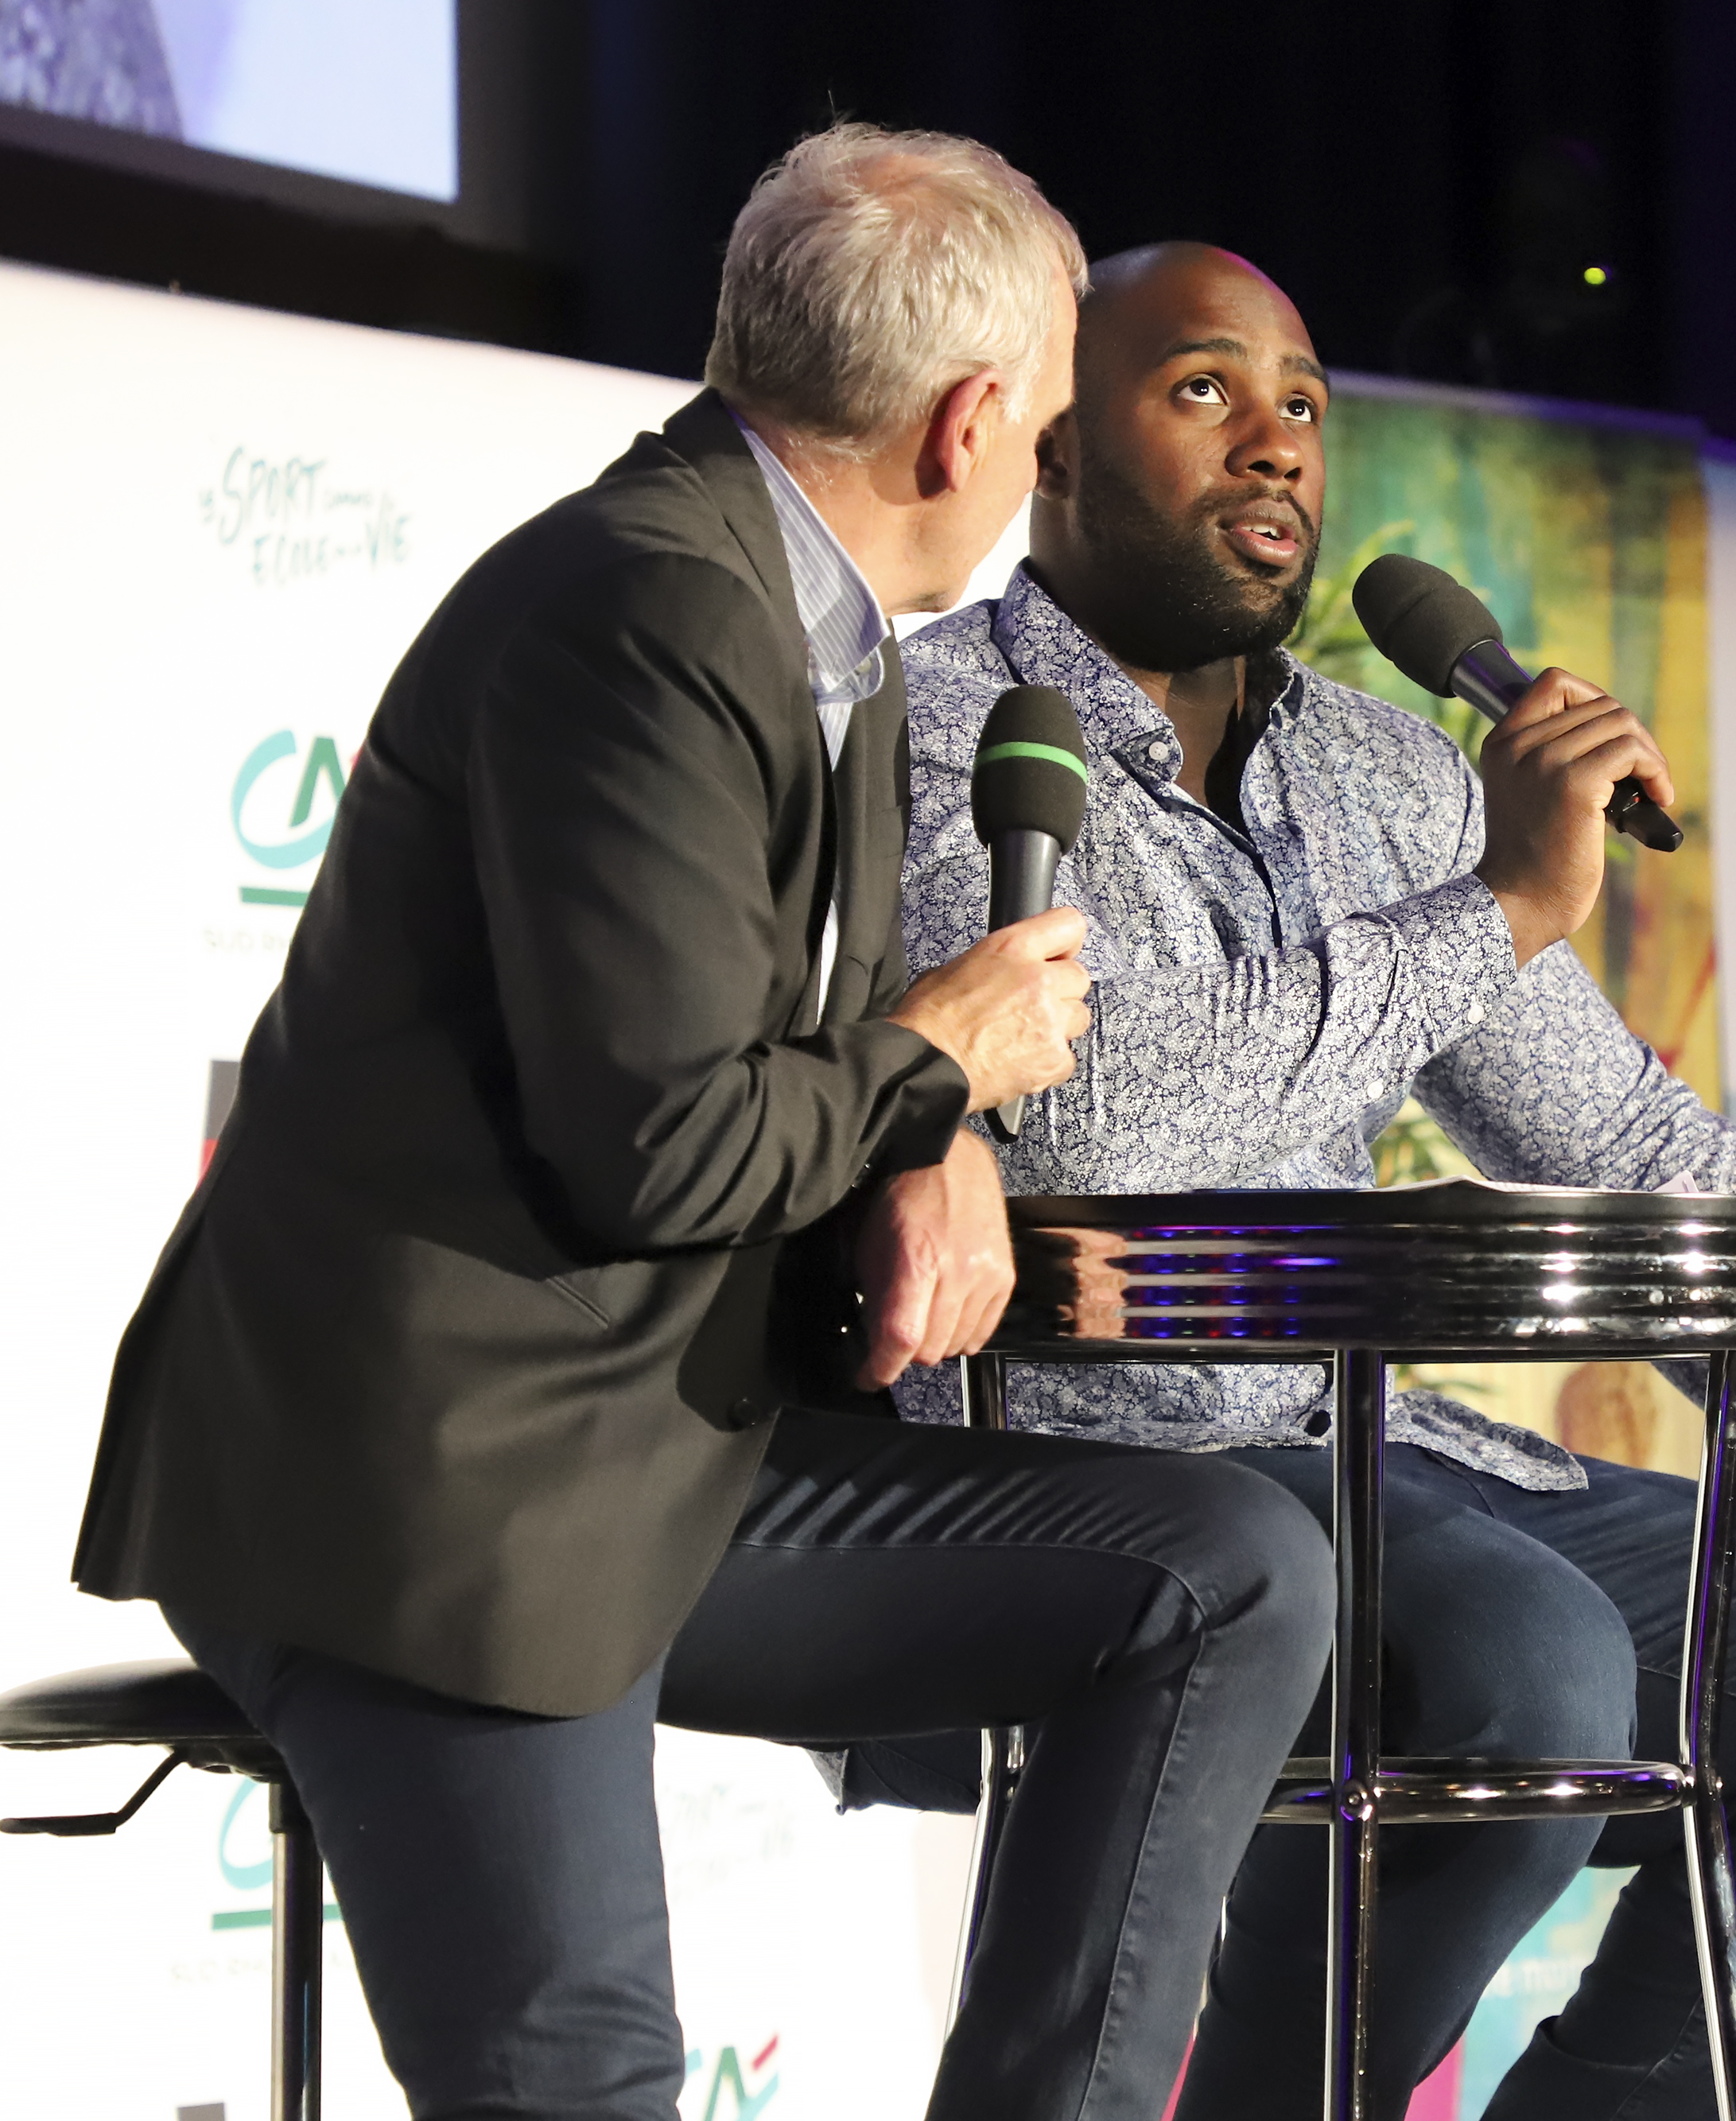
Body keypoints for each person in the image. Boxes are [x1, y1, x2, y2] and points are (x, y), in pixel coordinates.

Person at [70, 141, 1330, 2121]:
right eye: (1050, 422)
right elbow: (658, 1148)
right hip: (440, 1482)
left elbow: (771, 1049)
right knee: (585, 2086)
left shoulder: (809, 616)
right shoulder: (644, 610)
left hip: (666, 1434)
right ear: (973, 420)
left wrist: (937, 1134)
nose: (1037, 476)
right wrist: (938, 1063)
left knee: (1231, 1564)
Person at [891, 242, 1736, 2119]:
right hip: (1083, 1460)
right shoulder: (930, 722)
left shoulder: (1387, 773)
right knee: (1526, 1663)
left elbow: (1626, 1147)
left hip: (1376, 1449)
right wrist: (1494, 911)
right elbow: (1085, 1129)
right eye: (1205, 389)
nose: (1277, 444)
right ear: (1051, 440)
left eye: (1303, 403)